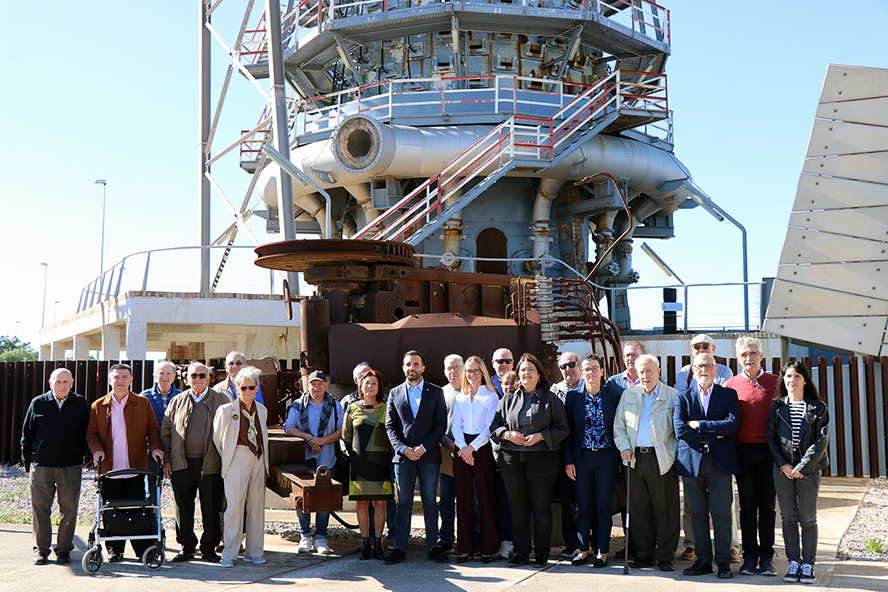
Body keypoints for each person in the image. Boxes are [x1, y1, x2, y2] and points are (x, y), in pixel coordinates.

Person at [490, 353, 568, 568]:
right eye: (523, 370)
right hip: (511, 460)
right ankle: (521, 552)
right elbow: (494, 427)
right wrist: (507, 434)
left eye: (530, 370)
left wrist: (541, 436)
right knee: (517, 507)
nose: (526, 373)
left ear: (539, 374)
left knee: (541, 507)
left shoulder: (550, 399)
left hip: (542, 460)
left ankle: (542, 553)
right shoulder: (508, 399)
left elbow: (562, 429)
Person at [86, 363, 164, 562]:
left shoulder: (142, 403)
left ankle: (143, 551)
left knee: (138, 511)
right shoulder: (98, 405)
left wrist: (155, 448)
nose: (120, 380)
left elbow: (153, 430)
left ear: (131, 380)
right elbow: (92, 434)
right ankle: (115, 550)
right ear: (110, 380)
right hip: (109, 469)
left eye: (124, 377)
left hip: (135, 469)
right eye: (116, 377)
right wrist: (97, 450)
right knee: (111, 512)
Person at [674, 352, 741, 579]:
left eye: (709, 366)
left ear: (716, 370)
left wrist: (699, 426)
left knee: (722, 514)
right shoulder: (682, 397)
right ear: (693, 369)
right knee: (698, 515)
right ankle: (703, 561)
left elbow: (731, 425)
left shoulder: (728, 394)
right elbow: (680, 431)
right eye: (700, 366)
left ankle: (722, 562)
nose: (704, 370)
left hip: (719, 463)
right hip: (692, 463)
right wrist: (714, 433)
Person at [613, 354, 680, 572]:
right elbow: (619, 426)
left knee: (665, 509)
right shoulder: (628, 394)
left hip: (661, 459)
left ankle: (665, 556)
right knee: (639, 509)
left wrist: (672, 454)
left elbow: (679, 431)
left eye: (649, 370)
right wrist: (624, 446)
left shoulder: (672, 396)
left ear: (659, 371)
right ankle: (644, 554)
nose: (645, 375)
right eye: (641, 371)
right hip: (634, 459)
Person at [767, 361, 829, 585]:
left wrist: (802, 467)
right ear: (783, 380)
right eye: (788, 376)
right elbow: (771, 439)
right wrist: (784, 465)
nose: (791, 380)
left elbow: (821, 441)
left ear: (805, 380)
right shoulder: (777, 407)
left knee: (808, 518)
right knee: (788, 518)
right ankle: (794, 562)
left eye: (796, 376)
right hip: (782, 470)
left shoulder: (818, 407)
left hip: (808, 472)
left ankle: (808, 564)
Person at [384, 350, 449, 565]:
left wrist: (422, 447)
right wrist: (403, 449)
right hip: (403, 458)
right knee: (404, 503)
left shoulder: (436, 392)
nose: (411, 367)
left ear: (423, 368)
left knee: (430, 501)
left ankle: (433, 546)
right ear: (403, 368)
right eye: (408, 364)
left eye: (415, 364)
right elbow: (390, 425)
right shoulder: (394, 393)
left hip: (428, 456)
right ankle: (400, 547)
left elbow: (441, 425)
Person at [21, 368, 90, 565]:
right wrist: (28, 464)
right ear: (50, 383)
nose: (61, 385)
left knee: (69, 509)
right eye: (58, 381)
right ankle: (41, 550)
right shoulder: (38, 403)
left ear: (72, 383)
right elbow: (27, 436)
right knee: (41, 509)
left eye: (65, 382)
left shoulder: (79, 403)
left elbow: (87, 432)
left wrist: (78, 454)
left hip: (70, 466)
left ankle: (63, 550)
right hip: (41, 466)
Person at [161, 362, 228, 563]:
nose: (197, 379)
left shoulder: (221, 400)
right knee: (183, 506)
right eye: (193, 375)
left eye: (201, 375)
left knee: (211, 506)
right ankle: (187, 546)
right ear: (186, 378)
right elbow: (166, 433)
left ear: (209, 379)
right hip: (182, 463)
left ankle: (209, 547)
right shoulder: (177, 401)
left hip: (211, 464)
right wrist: (168, 460)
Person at [725, 337, 779, 576]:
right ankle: (750, 557)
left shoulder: (776, 382)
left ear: (761, 355)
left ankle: (767, 557)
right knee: (747, 507)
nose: (749, 358)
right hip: (742, 451)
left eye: (754, 352)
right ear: (738, 357)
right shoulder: (730, 384)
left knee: (767, 507)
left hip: (770, 451)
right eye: (745, 354)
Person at [564, 354, 622, 568]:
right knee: (584, 507)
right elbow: (568, 433)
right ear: (581, 371)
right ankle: (583, 550)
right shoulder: (573, 398)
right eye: (587, 369)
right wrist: (569, 461)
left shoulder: (613, 396)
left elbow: (618, 428)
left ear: (602, 371)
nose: (591, 372)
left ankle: (602, 551)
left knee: (603, 507)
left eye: (595, 368)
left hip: (607, 458)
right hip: (582, 459)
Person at [213, 365, 270, 568]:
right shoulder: (226, 410)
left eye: (251, 387)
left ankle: (254, 552)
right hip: (237, 457)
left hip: (258, 460)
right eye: (243, 387)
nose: (247, 391)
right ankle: (229, 554)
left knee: (256, 508)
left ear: (256, 389)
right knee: (234, 507)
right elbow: (218, 438)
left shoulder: (262, 410)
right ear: (237, 388)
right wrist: (231, 457)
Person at [285, 370, 343, 555]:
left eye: (320, 384)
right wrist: (309, 437)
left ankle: (320, 537)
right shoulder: (297, 405)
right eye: (313, 384)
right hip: (304, 459)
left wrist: (322, 441)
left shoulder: (335, 405)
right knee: (303, 498)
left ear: (326, 386)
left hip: (327, 459)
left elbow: (343, 430)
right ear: (307, 386)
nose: (316, 387)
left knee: (324, 499)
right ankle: (304, 535)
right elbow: (289, 427)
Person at [451, 356, 499, 563]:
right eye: (468, 371)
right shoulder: (459, 398)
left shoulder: (491, 397)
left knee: (485, 498)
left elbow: (489, 428)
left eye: (475, 371)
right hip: (462, 449)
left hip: (482, 448)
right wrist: (464, 449)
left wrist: (472, 448)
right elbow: (455, 425)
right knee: (463, 499)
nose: (471, 375)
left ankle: (487, 547)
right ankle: (465, 548)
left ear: (482, 373)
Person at [343, 369, 393, 560]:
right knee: (362, 504)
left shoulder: (386, 407)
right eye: (367, 383)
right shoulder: (352, 408)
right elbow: (346, 436)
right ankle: (365, 544)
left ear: (379, 387)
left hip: (380, 462)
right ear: (360, 386)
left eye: (374, 383)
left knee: (380, 503)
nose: (370, 386)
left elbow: (391, 435)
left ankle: (378, 544)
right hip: (359, 462)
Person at [550, 351, 582, 559]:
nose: (568, 369)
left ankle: (592, 542)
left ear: (578, 365)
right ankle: (572, 544)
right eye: (563, 366)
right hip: (563, 453)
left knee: (589, 501)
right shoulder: (555, 391)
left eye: (571, 364)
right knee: (568, 502)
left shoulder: (590, 386)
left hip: (586, 451)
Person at [490, 348, 516, 560]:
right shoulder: (486, 386)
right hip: (494, 454)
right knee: (500, 500)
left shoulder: (523, 384)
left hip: (521, 454)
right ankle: (503, 540)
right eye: (500, 361)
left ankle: (521, 541)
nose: (503, 364)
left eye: (507, 360)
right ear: (493, 363)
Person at [438, 354, 464, 553]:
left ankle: (469, 539)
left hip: (470, 453)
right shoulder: (440, 394)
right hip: (447, 452)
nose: (453, 371)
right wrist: (450, 445)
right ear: (445, 371)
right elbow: (437, 426)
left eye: (457, 367)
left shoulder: (473, 391)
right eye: (449, 368)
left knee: (469, 500)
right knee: (446, 500)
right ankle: (446, 538)